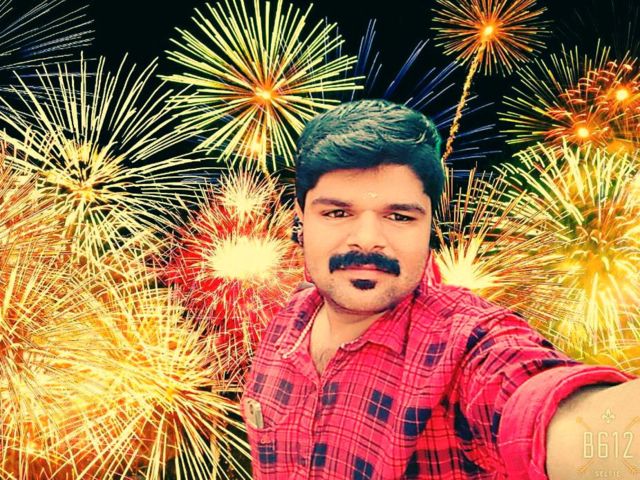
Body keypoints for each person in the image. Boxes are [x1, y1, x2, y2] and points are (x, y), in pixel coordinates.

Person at [240, 99, 638, 479]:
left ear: (430, 225)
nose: (367, 239)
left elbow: (553, 411)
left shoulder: (465, 347)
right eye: (337, 212)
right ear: (301, 218)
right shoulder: (287, 322)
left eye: (399, 216)